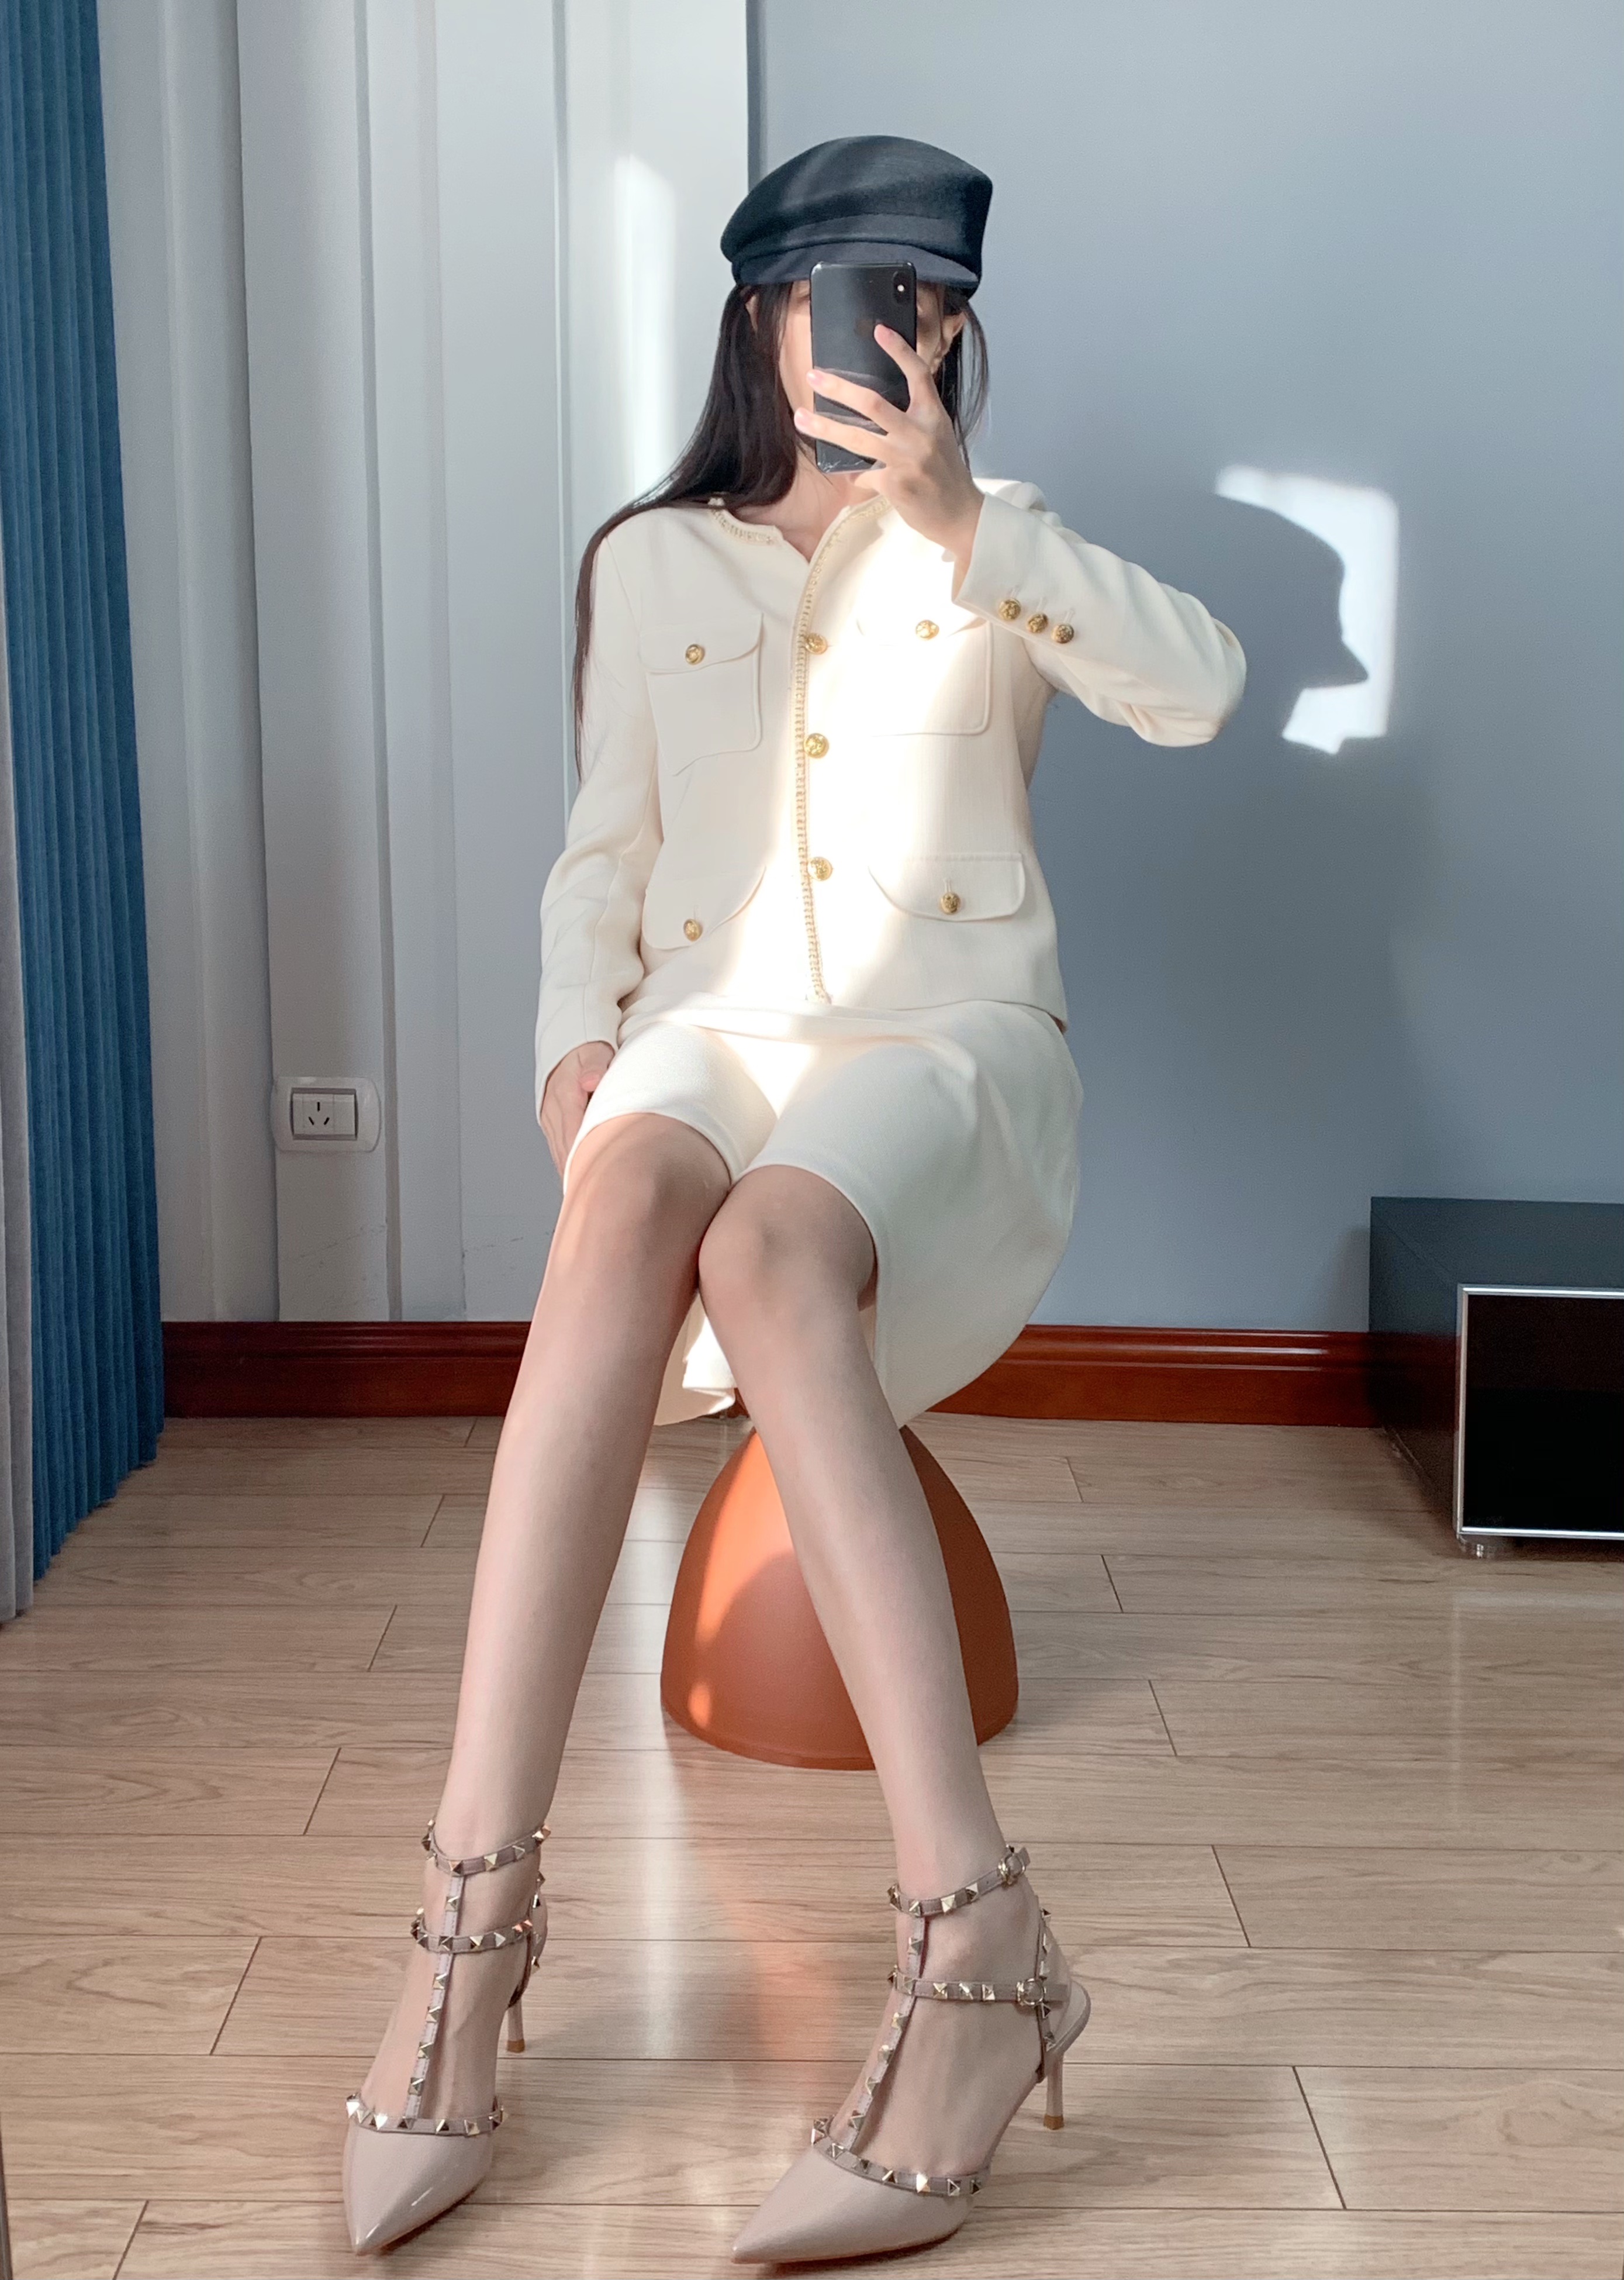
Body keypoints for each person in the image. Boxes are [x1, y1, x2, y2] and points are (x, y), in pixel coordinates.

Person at [341, 134, 1245, 2265]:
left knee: (762, 1244)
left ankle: (972, 1938)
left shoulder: (997, 540)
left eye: (922, 302)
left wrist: (962, 523)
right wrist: (568, 1039)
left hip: (944, 1042)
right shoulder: (653, 562)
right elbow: (601, 852)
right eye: (845, 295)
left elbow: (1200, 689)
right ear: (761, 321)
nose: (881, 332)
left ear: (953, 333)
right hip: (707, 1029)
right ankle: (471, 1915)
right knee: (625, 1201)